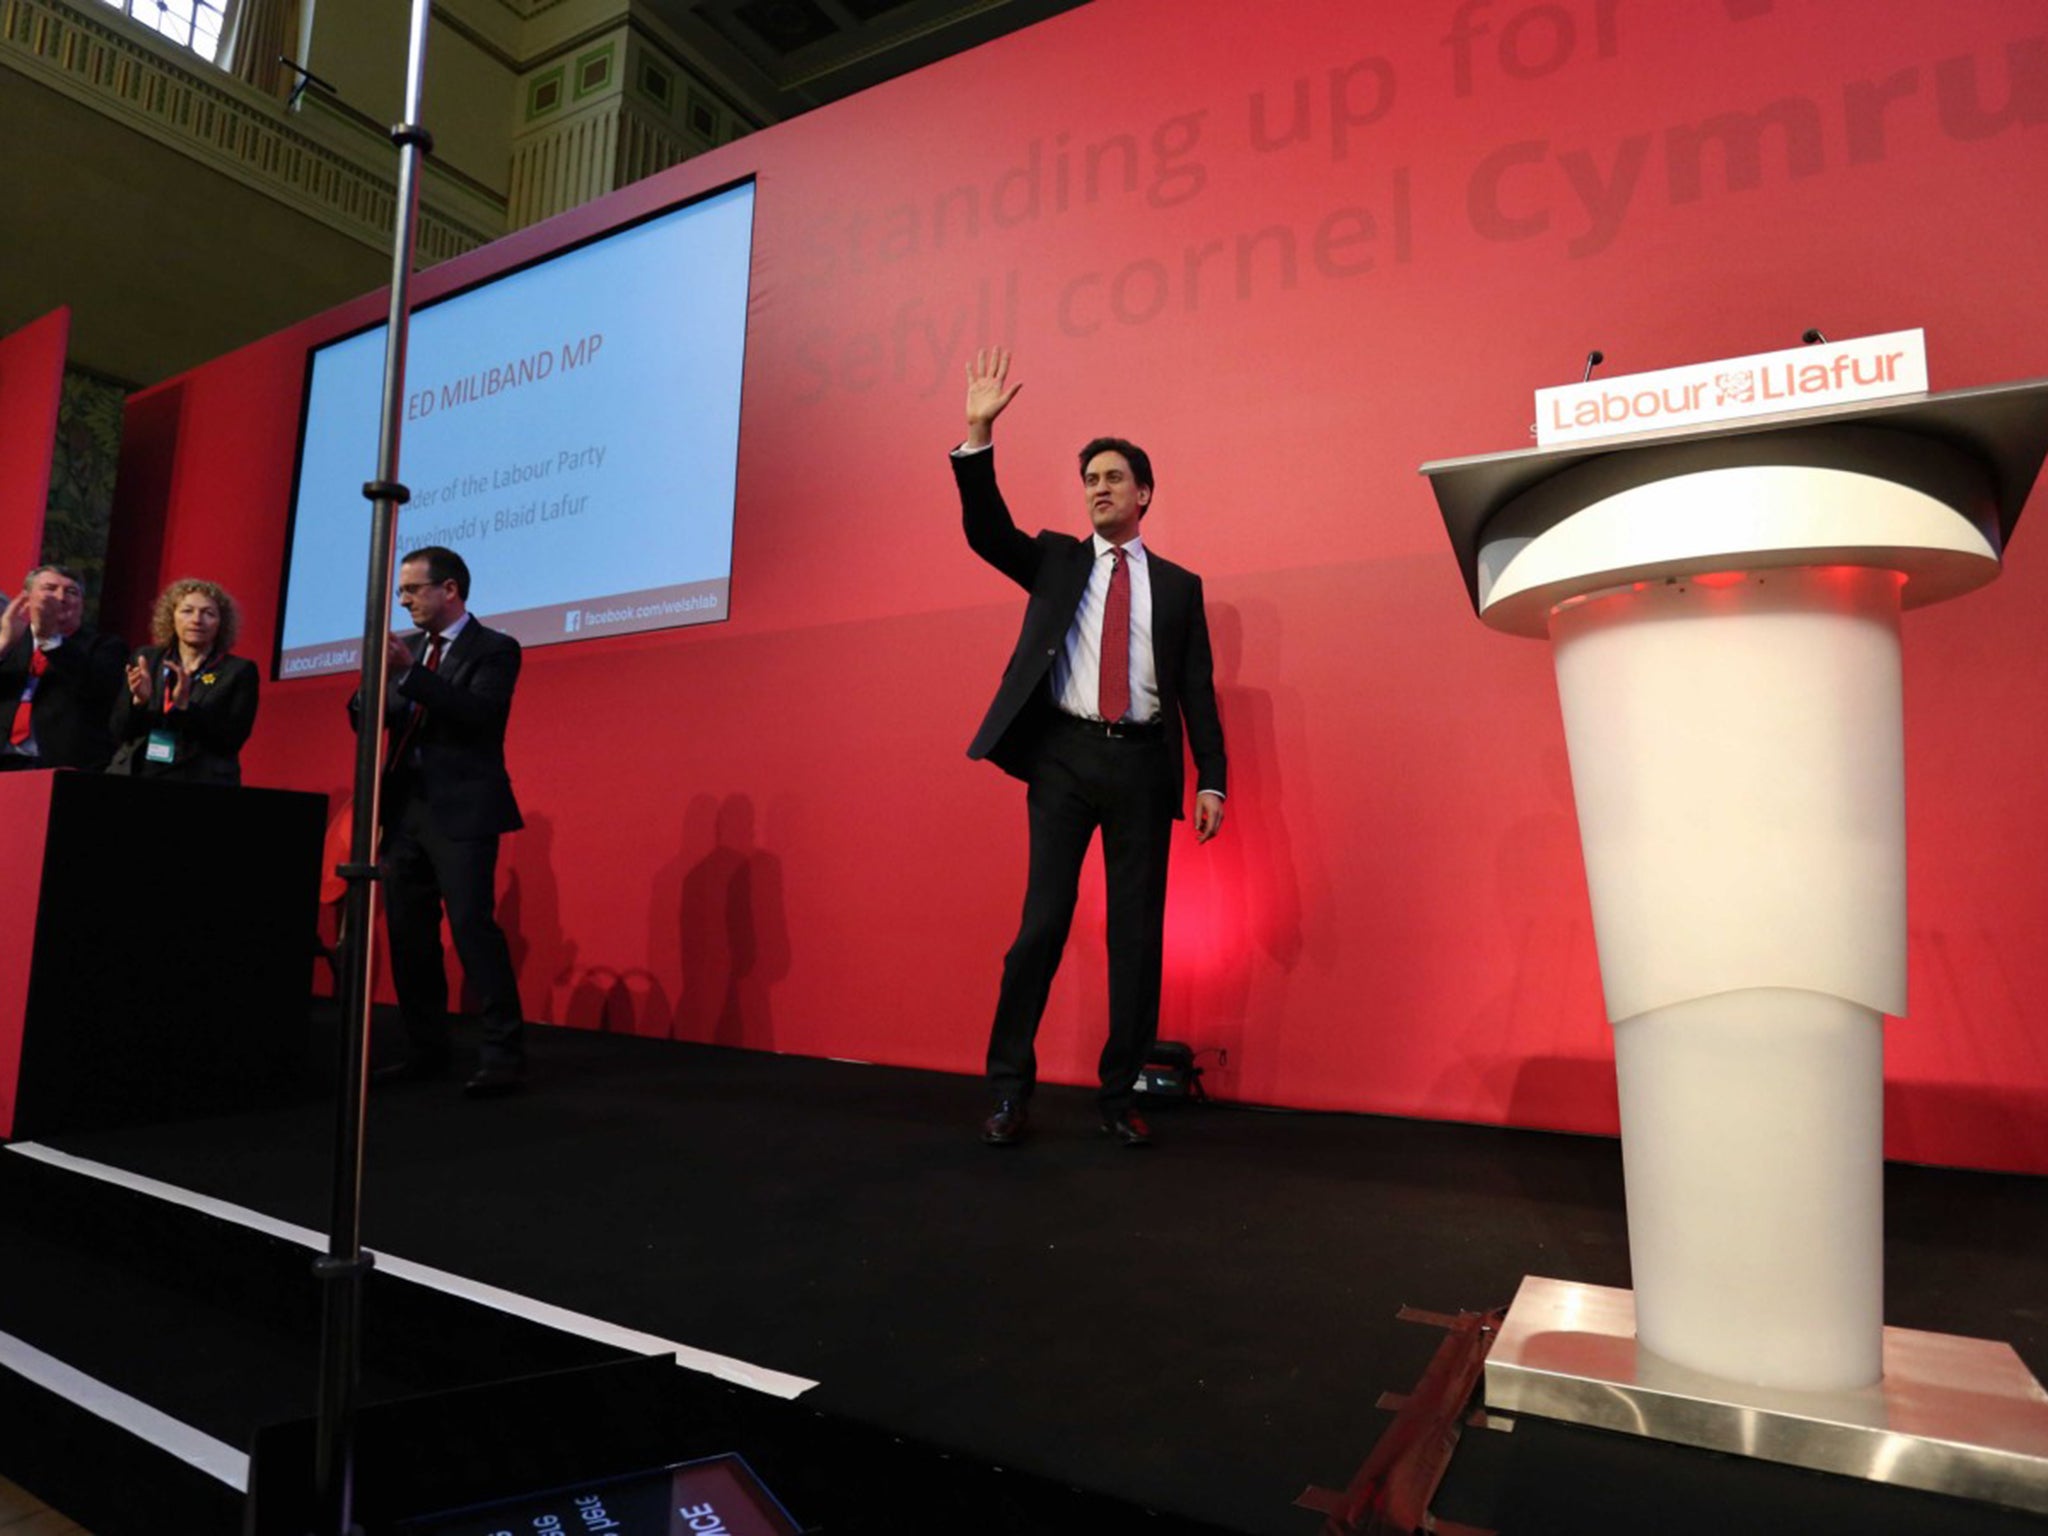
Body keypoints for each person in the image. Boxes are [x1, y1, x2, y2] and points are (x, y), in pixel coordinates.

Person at [951, 347, 1227, 1149]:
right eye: (1090, 480)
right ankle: (1007, 1091)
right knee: (1041, 925)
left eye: (1113, 478)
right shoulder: (1057, 561)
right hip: (1066, 760)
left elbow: (1196, 690)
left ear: (1143, 494)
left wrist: (1211, 778)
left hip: (1144, 764)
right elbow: (984, 530)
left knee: (1137, 938)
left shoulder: (1179, 586)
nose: (1098, 489)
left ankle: (1118, 1094)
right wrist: (977, 432)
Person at [350, 546, 527, 1097]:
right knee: (408, 935)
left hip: (463, 810)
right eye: (401, 592)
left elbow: (478, 716)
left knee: (473, 929)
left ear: (448, 589)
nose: (403, 600)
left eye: (411, 590)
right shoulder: (411, 652)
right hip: (405, 810)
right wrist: (374, 683)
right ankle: (426, 1049)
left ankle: (502, 1055)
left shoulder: (494, 648)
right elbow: (368, 719)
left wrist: (410, 674)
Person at [109, 578, 259, 785]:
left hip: (200, 781)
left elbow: (231, 740)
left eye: (208, 613)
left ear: (221, 623)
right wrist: (139, 702)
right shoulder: (146, 659)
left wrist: (186, 708)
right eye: (187, 611)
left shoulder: (238, 671)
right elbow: (119, 731)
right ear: (172, 617)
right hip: (137, 774)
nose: (197, 620)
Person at [0, 564, 126, 772]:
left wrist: (50, 640)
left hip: (61, 767)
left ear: (81, 604)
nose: (60, 598)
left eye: (71, 592)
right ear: (26, 598)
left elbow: (99, 690)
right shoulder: (11, 640)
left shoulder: (105, 647)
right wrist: (3, 644)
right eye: (49, 589)